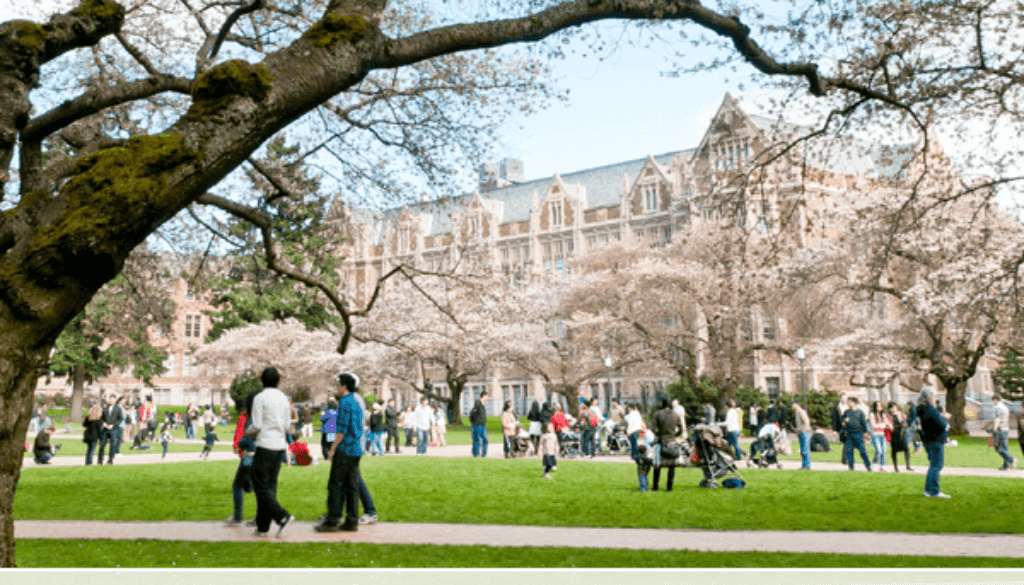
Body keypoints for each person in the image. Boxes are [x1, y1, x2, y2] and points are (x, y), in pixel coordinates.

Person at [248, 367, 294, 536]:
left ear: (262, 380)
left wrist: (247, 433)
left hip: (265, 444)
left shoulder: (260, 398)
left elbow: (257, 424)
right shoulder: (283, 398)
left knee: (260, 484)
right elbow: (288, 425)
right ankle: (263, 526)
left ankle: (282, 516)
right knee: (270, 486)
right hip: (279, 445)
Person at [317, 373, 365, 532]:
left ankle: (333, 519)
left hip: (345, 448)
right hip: (356, 449)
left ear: (343, 387)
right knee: (352, 486)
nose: (336, 388)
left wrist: (332, 449)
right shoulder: (356, 401)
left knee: (335, 484)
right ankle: (352, 521)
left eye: (338, 385)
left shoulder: (344, 403)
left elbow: (342, 430)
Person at [226, 391, 259, 526]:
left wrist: (239, 444)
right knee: (259, 488)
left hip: (249, 456)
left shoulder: (249, 418)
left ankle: (238, 516)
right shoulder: (263, 417)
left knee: (237, 485)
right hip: (262, 455)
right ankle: (259, 517)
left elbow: (245, 438)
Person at [916, 386, 950, 498]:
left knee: (933, 466)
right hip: (935, 440)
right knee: (937, 466)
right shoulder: (931, 410)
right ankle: (935, 491)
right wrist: (945, 418)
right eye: (934, 395)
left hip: (928, 440)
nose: (936, 397)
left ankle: (928, 490)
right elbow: (941, 425)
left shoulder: (921, 410)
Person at [651, 398, 682, 491]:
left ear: (662, 403)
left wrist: (658, 434)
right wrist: (674, 435)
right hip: (672, 441)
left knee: (657, 465)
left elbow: (652, 428)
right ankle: (669, 487)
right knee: (672, 465)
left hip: (661, 440)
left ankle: (655, 486)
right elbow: (681, 429)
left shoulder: (657, 414)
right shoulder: (676, 415)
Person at [841, 396, 872, 472]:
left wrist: (865, 432)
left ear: (854, 403)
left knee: (862, 450)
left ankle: (868, 466)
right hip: (849, 434)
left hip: (858, 434)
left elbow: (863, 423)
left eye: (849, 402)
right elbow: (842, 422)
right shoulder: (846, 412)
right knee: (849, 451)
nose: (848, 403)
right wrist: (845, 421)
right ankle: (851, 467)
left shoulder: (860, 412)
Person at [991, 394, 1018, 470]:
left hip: (1000, 430)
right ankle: (1006, 466)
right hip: (1006, 429)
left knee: (998, 448)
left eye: (993, 400)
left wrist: (994, 429)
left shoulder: (997, 407)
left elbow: (997, 419)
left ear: (996, 399)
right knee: (1005, 448)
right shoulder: (1005, 407)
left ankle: (1012, 459)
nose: (993, 402)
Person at [98, 394, 123, 465]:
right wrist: (103, 423)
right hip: (105, 429)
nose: (111, 401)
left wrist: (113, 425)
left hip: (113, 429)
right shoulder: (105, 408)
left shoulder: (118, 409)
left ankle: (110, 460)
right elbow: (101, 418)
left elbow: (120, 418)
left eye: (112, 399)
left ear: (115, 400)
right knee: (102, 445)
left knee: (112, 446)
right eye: (110, 399)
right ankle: (100, 460)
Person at [869, 400, 892, 471]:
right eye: (878, 406)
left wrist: (889, 426)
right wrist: (884, 425)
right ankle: (874, 464)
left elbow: (888, 424)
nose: (879, 407)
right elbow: (874, 426)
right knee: (879, 451)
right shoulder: (872, 414)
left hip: (882, 435)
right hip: (875, 434)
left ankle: (883, 466)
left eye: (880, 406)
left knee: (884, 451)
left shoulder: (883, 415)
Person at [889, 401, 912, 472]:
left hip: (901, 433)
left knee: (906, 448)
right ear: (889, 408)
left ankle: (908, 466)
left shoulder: (900, 414)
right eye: (892, 407)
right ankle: (896, 467)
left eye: (895, 407)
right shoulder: (888, 415)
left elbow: (904, 423)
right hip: (894, 433)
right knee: (894, 451)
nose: (894, 409)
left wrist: (902, 417)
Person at [791, 399, 812, 470]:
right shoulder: (797, 412)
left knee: (805, 449)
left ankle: (807, 466)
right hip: (801, 433)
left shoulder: (801, 411)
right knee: (803, 450)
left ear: (797, 404)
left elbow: (806, 421)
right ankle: (804, 465)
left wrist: (805, 429)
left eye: (792, 404)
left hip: (804, 432)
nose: (791, 406)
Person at [469, 390, 489, 457]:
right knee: (478, 440)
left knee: (484, 439)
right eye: (487, 396)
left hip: (482, 425)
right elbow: (472, 414)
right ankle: (476, 453)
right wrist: (473, 422)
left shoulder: (482, 405)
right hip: (478, 424)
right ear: (484, 396)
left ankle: (483, 453)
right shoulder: (477, 404)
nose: (487, 398)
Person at [831, 393, 849, 464]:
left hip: (849, 427)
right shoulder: (837, 407)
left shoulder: (848, 406)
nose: (844, 400)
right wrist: (834, 430)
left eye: (845, 398)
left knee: (848, 443)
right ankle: (846, 459)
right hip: (841, 428)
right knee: (846, 443)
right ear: (840, 398)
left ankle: (846, 459)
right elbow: (834, 419)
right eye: (843, 398)